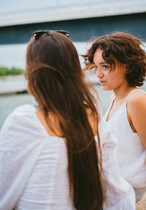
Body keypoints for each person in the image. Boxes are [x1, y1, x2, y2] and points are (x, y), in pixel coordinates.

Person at [0, 30, 135, 210]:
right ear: (74, 70)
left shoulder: (25, 121)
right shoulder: (93, 117)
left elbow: (4, 193)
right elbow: (116, 192)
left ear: (33, 72)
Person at [83, 31, 146, 202]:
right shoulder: (113, 99)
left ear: (127, 66)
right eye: (96, 67)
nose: (98, 74)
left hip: (120, 194)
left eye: (105, 66)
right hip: (106, 188)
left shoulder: (137, 101)